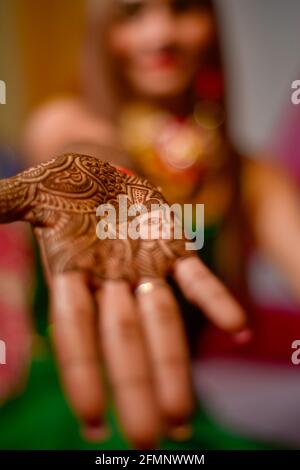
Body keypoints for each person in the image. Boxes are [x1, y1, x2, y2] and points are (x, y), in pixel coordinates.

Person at [3, 0, 300, 450]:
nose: (160, 35)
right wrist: (110, 180)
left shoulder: (252, 178)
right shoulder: (62, 121)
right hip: (58, 413)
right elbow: (81, 147)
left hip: (178, 412)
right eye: (132, 13)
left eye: (182, 9)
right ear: (102, 32)